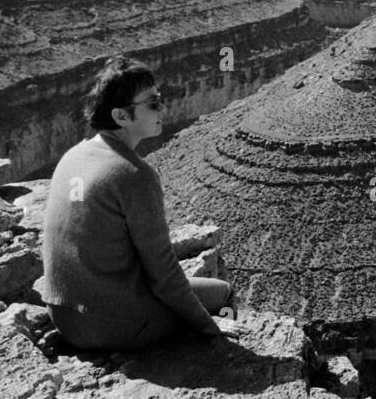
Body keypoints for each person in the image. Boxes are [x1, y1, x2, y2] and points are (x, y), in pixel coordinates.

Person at [40, 54, 234, 350]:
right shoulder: (134, 175)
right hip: (111, 326)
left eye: (160, 99)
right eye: (153, 103)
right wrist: (209, 327)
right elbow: (164, 276)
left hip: (63, 317)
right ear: (121, 116)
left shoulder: (73, 156)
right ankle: (231, 355)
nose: (163, 107)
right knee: (223, 294)